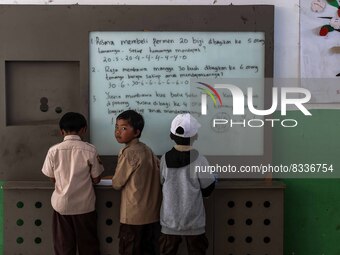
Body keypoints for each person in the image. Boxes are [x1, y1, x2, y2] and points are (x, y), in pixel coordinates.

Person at [42, 112, 104, 255]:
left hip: (62, 206)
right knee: (88, 245)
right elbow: (96, 179)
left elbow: (52, 178)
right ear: (84, 130)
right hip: (85, 206)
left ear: (61, 131)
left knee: (63, 245)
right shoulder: (90, 150)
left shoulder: (53, 151)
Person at [159, 113, 216, 255]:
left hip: (169, 220)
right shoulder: (200, 160)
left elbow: (161, 183)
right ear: (195, 136)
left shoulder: (164, 159)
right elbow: (208, 189)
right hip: (194, 221)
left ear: (171, 135)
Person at [112, 110, 162, 255]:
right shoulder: (147, 150)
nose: (118, 132)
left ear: (137, 132)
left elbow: (117, 183)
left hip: (133, 217)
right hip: (151, 215)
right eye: (116, 127)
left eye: (124, 128)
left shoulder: (128, 153)